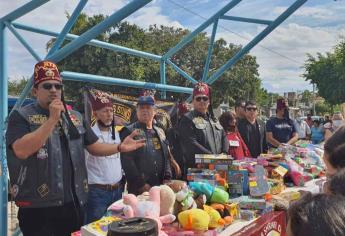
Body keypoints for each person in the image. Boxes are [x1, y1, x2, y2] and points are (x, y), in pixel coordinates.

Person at [6, 60, 145, 236]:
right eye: (47, 86)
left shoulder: (75, 117)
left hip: (74, 205)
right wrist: (51, 120)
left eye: (58, 86)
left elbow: (94, 146)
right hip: (39, 209)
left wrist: (118, 147)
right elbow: (21, 150)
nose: (54, 90)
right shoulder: (21, 116)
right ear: (35, 91)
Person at [120, 96, 172, 195]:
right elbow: (127, 162)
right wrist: (141, 185)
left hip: (160, 186)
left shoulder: (160, 131)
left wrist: (167, 177)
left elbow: (166, 156)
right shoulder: (129, 131)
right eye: (141, 108)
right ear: (137, 111)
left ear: (155, 111)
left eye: (148, 108)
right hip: (139, 190)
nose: (144, 111)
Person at [85, 95, 124, 223]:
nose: (109, 114)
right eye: (105, 111)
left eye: (111, 110)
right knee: (96, 229)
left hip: (117, 190)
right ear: (95, 114)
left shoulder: (117, 133)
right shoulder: (89, 134)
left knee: (117, 227)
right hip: (97, 193)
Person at [178, 82, 229, 170]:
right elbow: (190, 143)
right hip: (198, 169)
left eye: (205, 98)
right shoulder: (187, 119)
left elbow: (224, 136)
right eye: (198, 99)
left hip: (218, 166)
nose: (202, 101)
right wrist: (212, 157)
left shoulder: (214, 119)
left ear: (209, 101)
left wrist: (224, 153)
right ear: (193, 101)